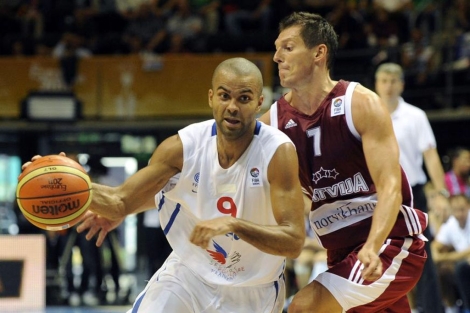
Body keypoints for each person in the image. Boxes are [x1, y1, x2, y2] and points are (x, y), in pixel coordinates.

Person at [24, 57, 306, 312]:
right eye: (224, 96)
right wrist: (57, 178)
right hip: (189, 274)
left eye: (244, 98)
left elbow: (293, 242)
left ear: (259, 103)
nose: (232, 107)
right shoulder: (182, 148)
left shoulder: (277, 152)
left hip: (254, 290)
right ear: (211, 98)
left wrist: (233, 224)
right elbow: (121, 199)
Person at [257, 12, 428, 312]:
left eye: (287, 47)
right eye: (276, 48)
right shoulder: (272, 121)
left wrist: (373, 248)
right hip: (338, 251)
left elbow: (390, 187)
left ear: (318, 53)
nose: (276, 57)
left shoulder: (360, 103)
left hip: (389, 242)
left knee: (304, 307)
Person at [374, 62, 446, 313]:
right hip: (377, 195)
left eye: (393, 81)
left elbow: (431, 156)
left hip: (412, 195)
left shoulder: (416, 116)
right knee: (377, 251)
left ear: (402, 84)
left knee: (421, 254)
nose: (389, 86)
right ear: (376, 84)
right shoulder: (369, 113)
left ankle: (431, 309)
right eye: (384, 80)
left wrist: (442, 193)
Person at [432, 194, 470, 313]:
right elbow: (434, 247)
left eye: (462, 209)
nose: (459, 214)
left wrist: (446, 257)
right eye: (455, 210)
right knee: (442, 270)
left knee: (461, 267)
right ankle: (451, 307)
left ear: (468, 206)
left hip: (462, 264)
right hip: (462, 263)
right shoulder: (450, 224)